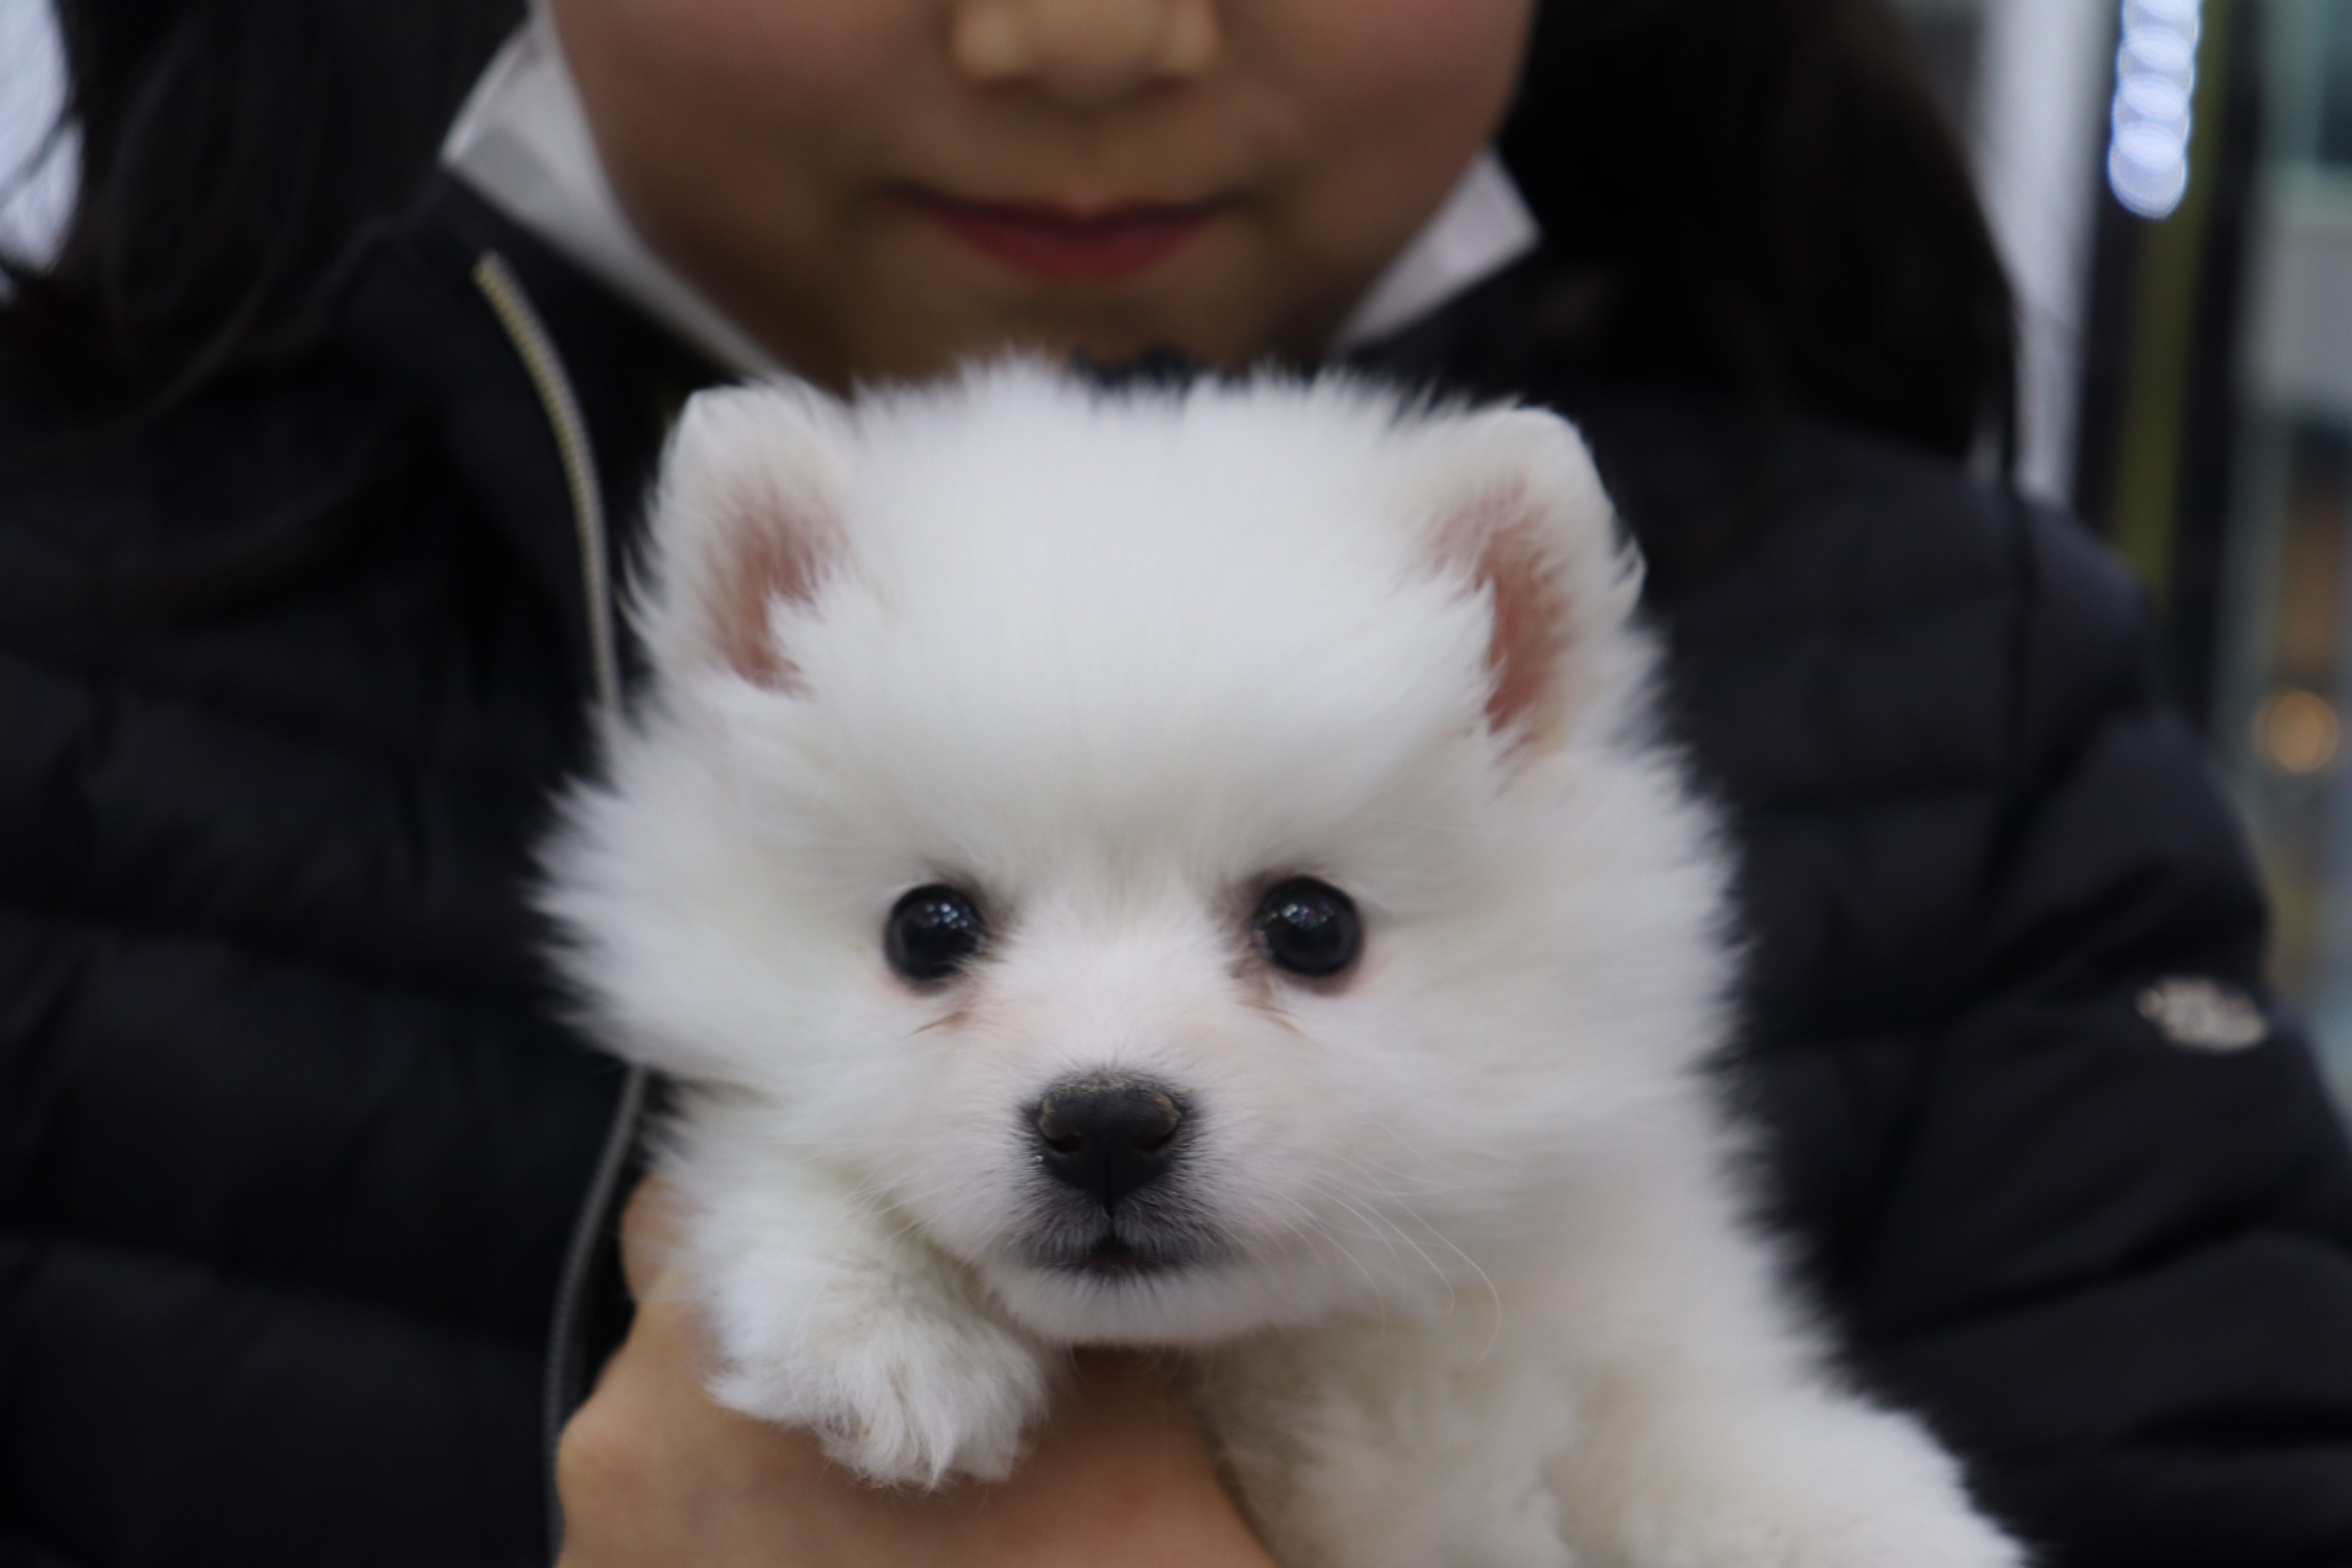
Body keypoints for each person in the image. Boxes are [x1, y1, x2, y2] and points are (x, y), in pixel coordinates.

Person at [2, 1, 2348, 1565]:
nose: (1085, 28)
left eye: (1303, 928)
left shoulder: (1985, 698)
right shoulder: (60, 637)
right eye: (938, 931)